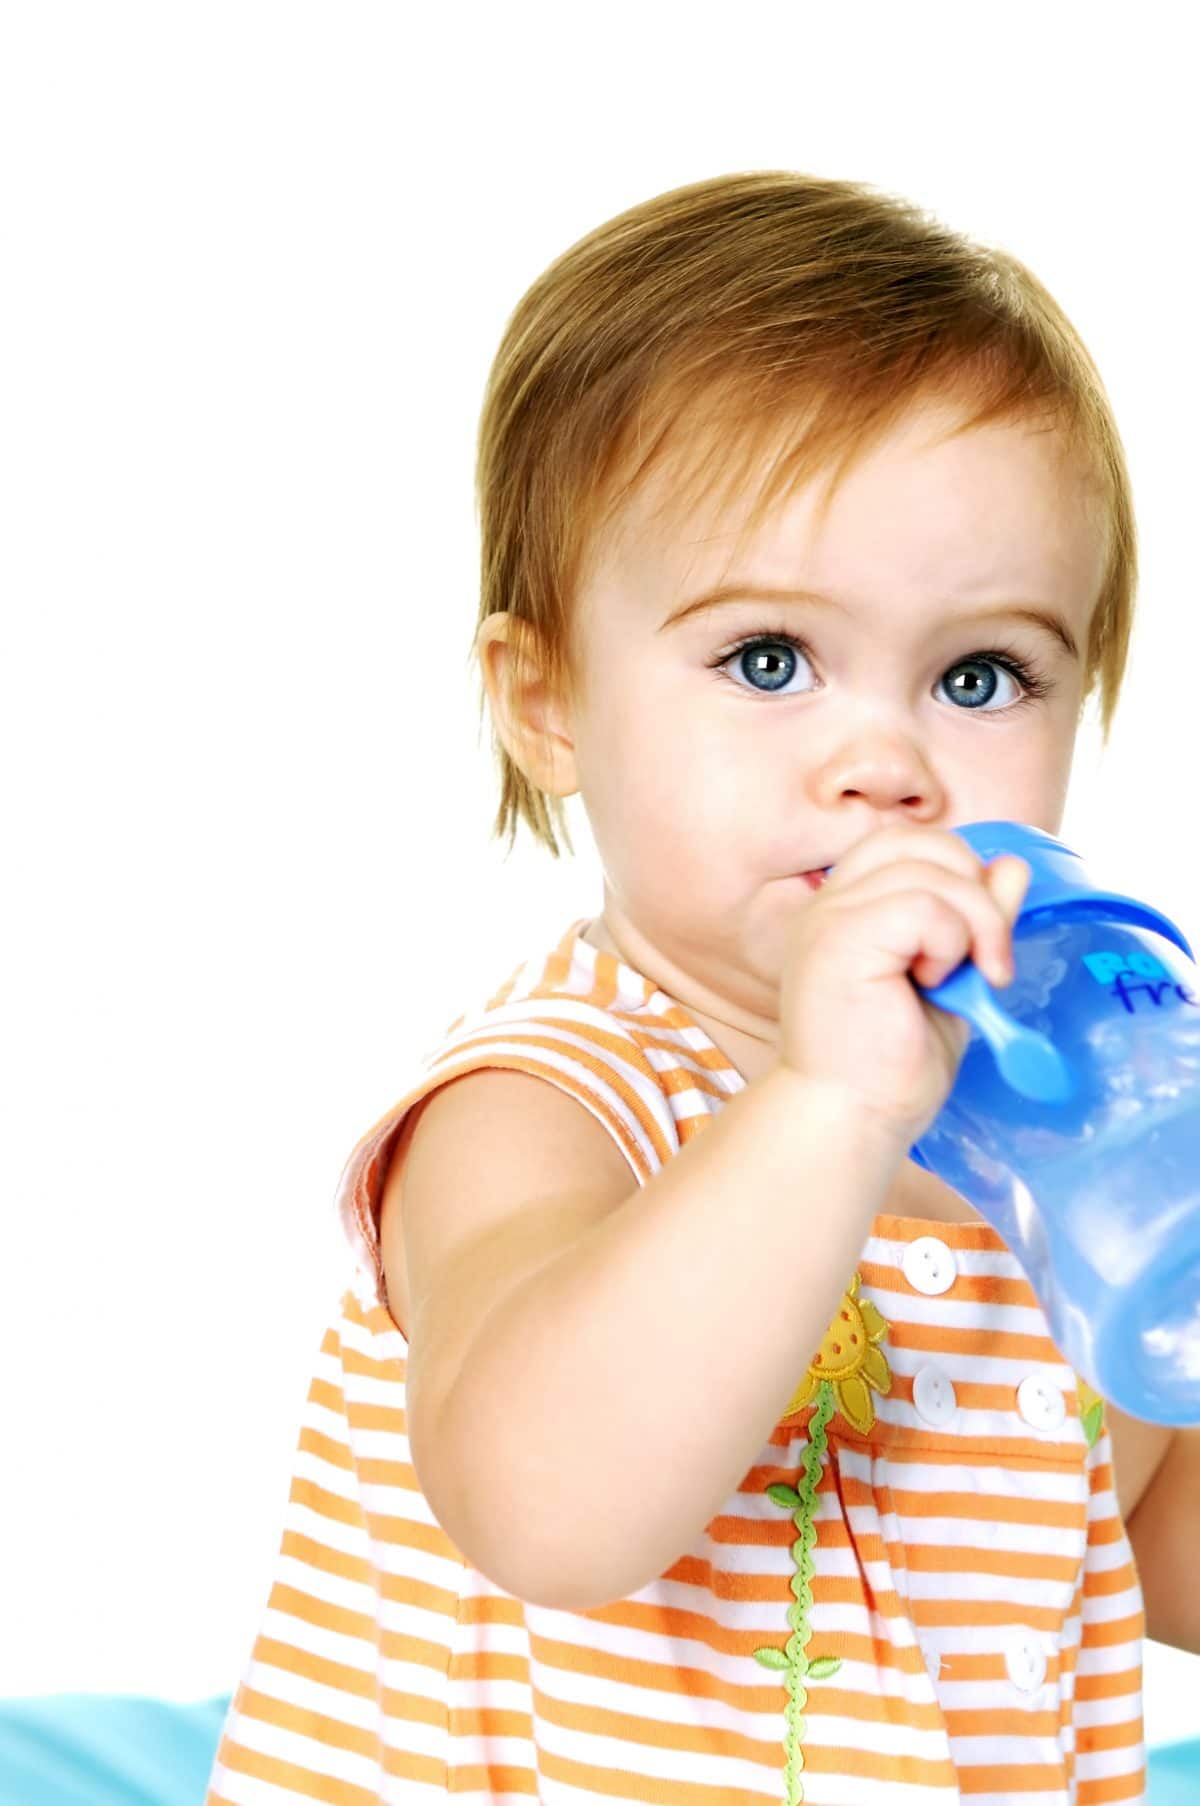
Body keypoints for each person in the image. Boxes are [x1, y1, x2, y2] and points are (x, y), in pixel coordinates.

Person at [205, 170, 1186, 1805]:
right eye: (770, 661)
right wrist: (831, 1106)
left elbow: (1149, 1531)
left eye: (979, 675)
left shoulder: (1055, 1124)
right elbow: (549, 1505)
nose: (885, 761)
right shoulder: (542, 1103)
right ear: (551, 703)